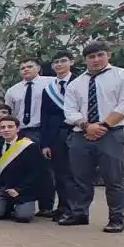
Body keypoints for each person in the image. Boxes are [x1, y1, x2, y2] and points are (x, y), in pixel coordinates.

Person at [60, 40, 124, 233]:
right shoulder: (76, 83)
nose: (95, 60)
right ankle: (80, 213)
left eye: (99, 55)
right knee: (80, 179)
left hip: (111, 134)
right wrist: (87, 126)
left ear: (108, 55)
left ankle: (116, 218)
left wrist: (102, 126)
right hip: (81, 134)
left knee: (114, 179)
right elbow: (69, 110)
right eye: (91, 57)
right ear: (85, 59)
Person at [5, 57, 55, 217]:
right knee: (20, 167)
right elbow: (9, 113)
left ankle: (46, 206)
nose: (25, 70)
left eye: (29, 66)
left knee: (46, 170)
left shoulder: (50, 83)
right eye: (23, 68)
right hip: (21, 131)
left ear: (38, 67)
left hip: (41, 130)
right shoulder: (13, 90)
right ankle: (21, 199)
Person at [41, 50, 80, 221]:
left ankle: (74, 208)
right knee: (59, 173)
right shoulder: (49, 88)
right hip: (55, 134)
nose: (59, 65)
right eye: (55, 62)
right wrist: (45, 143)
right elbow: (45, 117)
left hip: (76, 131)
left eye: (63, 61)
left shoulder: (80, 83)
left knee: (73, 174)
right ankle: (62, 206)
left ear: (71, 62)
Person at [0, 116, 42, 222]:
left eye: (10, 127)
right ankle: (7, 206)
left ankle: (20, 206)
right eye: (3, 127)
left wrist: (18, 189)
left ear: (17, 129)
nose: (6, 130)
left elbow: (36, 173)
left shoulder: (29, 146)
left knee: (23, 217)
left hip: (24, 190)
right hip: (4, 188)